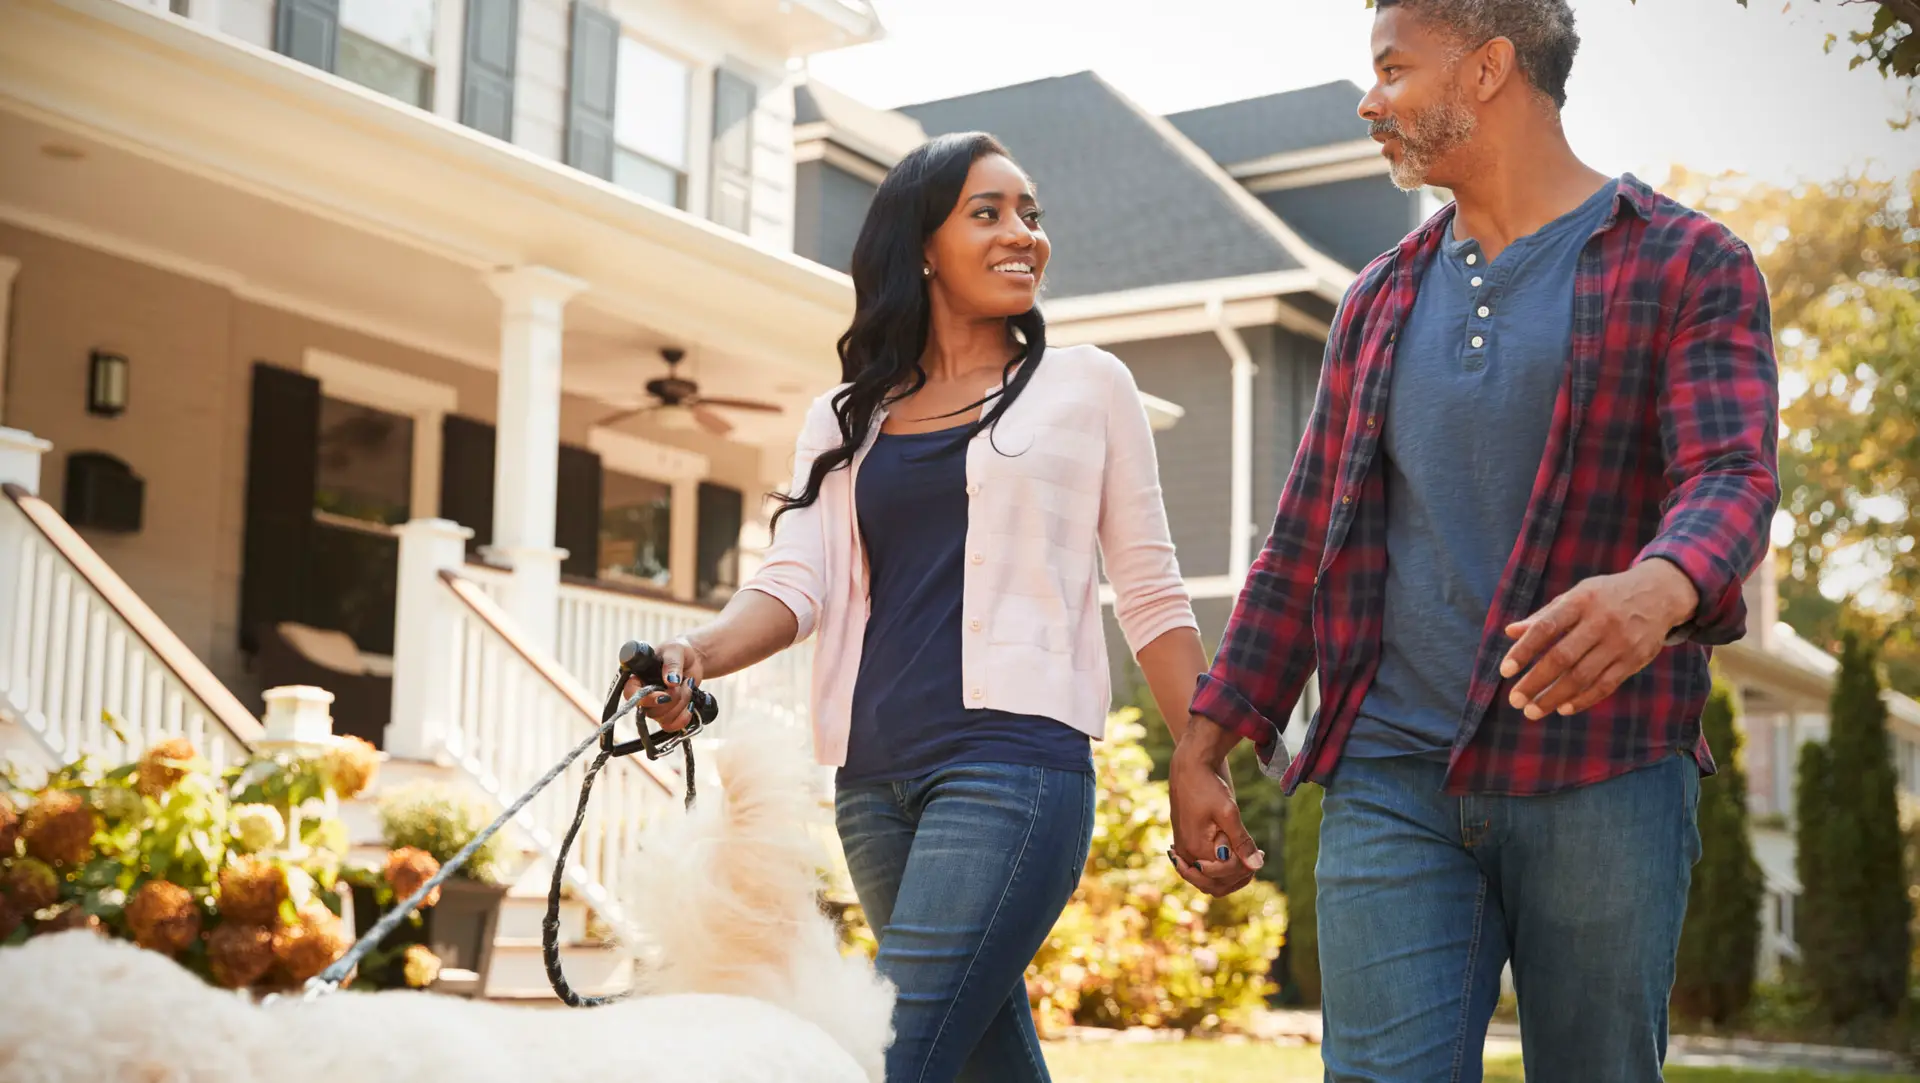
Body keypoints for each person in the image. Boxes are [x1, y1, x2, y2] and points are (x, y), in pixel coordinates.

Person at [1165, 1, 1779, 1080]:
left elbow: (1731, 474)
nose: (1370, 100)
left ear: (1488, 69)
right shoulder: (1378, 301)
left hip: (1603, 773)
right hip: (1392, 777)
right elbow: (1303, 534)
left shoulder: (1687, 261)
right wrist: (1208, 736)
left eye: (1393, 69)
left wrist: (1662, 583)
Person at [638, 131, 1208, 1083]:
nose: (1022, 233)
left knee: (882, 1056)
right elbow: (794, 581)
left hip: (1013, 770)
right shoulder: (844, 417)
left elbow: (1148, 587)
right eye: (987, 213)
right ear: (922, 248)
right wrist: (695, 650)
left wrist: (1201, 759)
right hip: (875, 786)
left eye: (1030, 213)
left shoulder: (1087, 386)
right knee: (981, 1057)